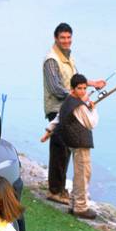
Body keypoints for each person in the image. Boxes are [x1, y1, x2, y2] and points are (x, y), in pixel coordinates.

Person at [42, 23, 105, 205]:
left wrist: (92, 84)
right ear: (56, 38)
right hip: (58, 109)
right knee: (59, 150)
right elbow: (55, 88)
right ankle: (55, 191)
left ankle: (60, 188)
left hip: (69, 109)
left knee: (66, 150)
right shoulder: (51, 60)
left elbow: (74, 81)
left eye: (69, 37)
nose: (66, 40)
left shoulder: (68, 57)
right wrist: (77, 97)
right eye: (62, 37)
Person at [40, 73, 98, 219]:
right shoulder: (79, 106)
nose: (83, 91)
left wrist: (48, 131)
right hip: (81, 143)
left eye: (84, 88)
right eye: (79, 88)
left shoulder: (68, 101)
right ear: (72, 88)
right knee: (83, 175)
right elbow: (91, 123)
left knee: (79, 173)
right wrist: (93, 109)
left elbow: (58, 118)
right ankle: (81, 207)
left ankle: (73, 203)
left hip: (72, 142)